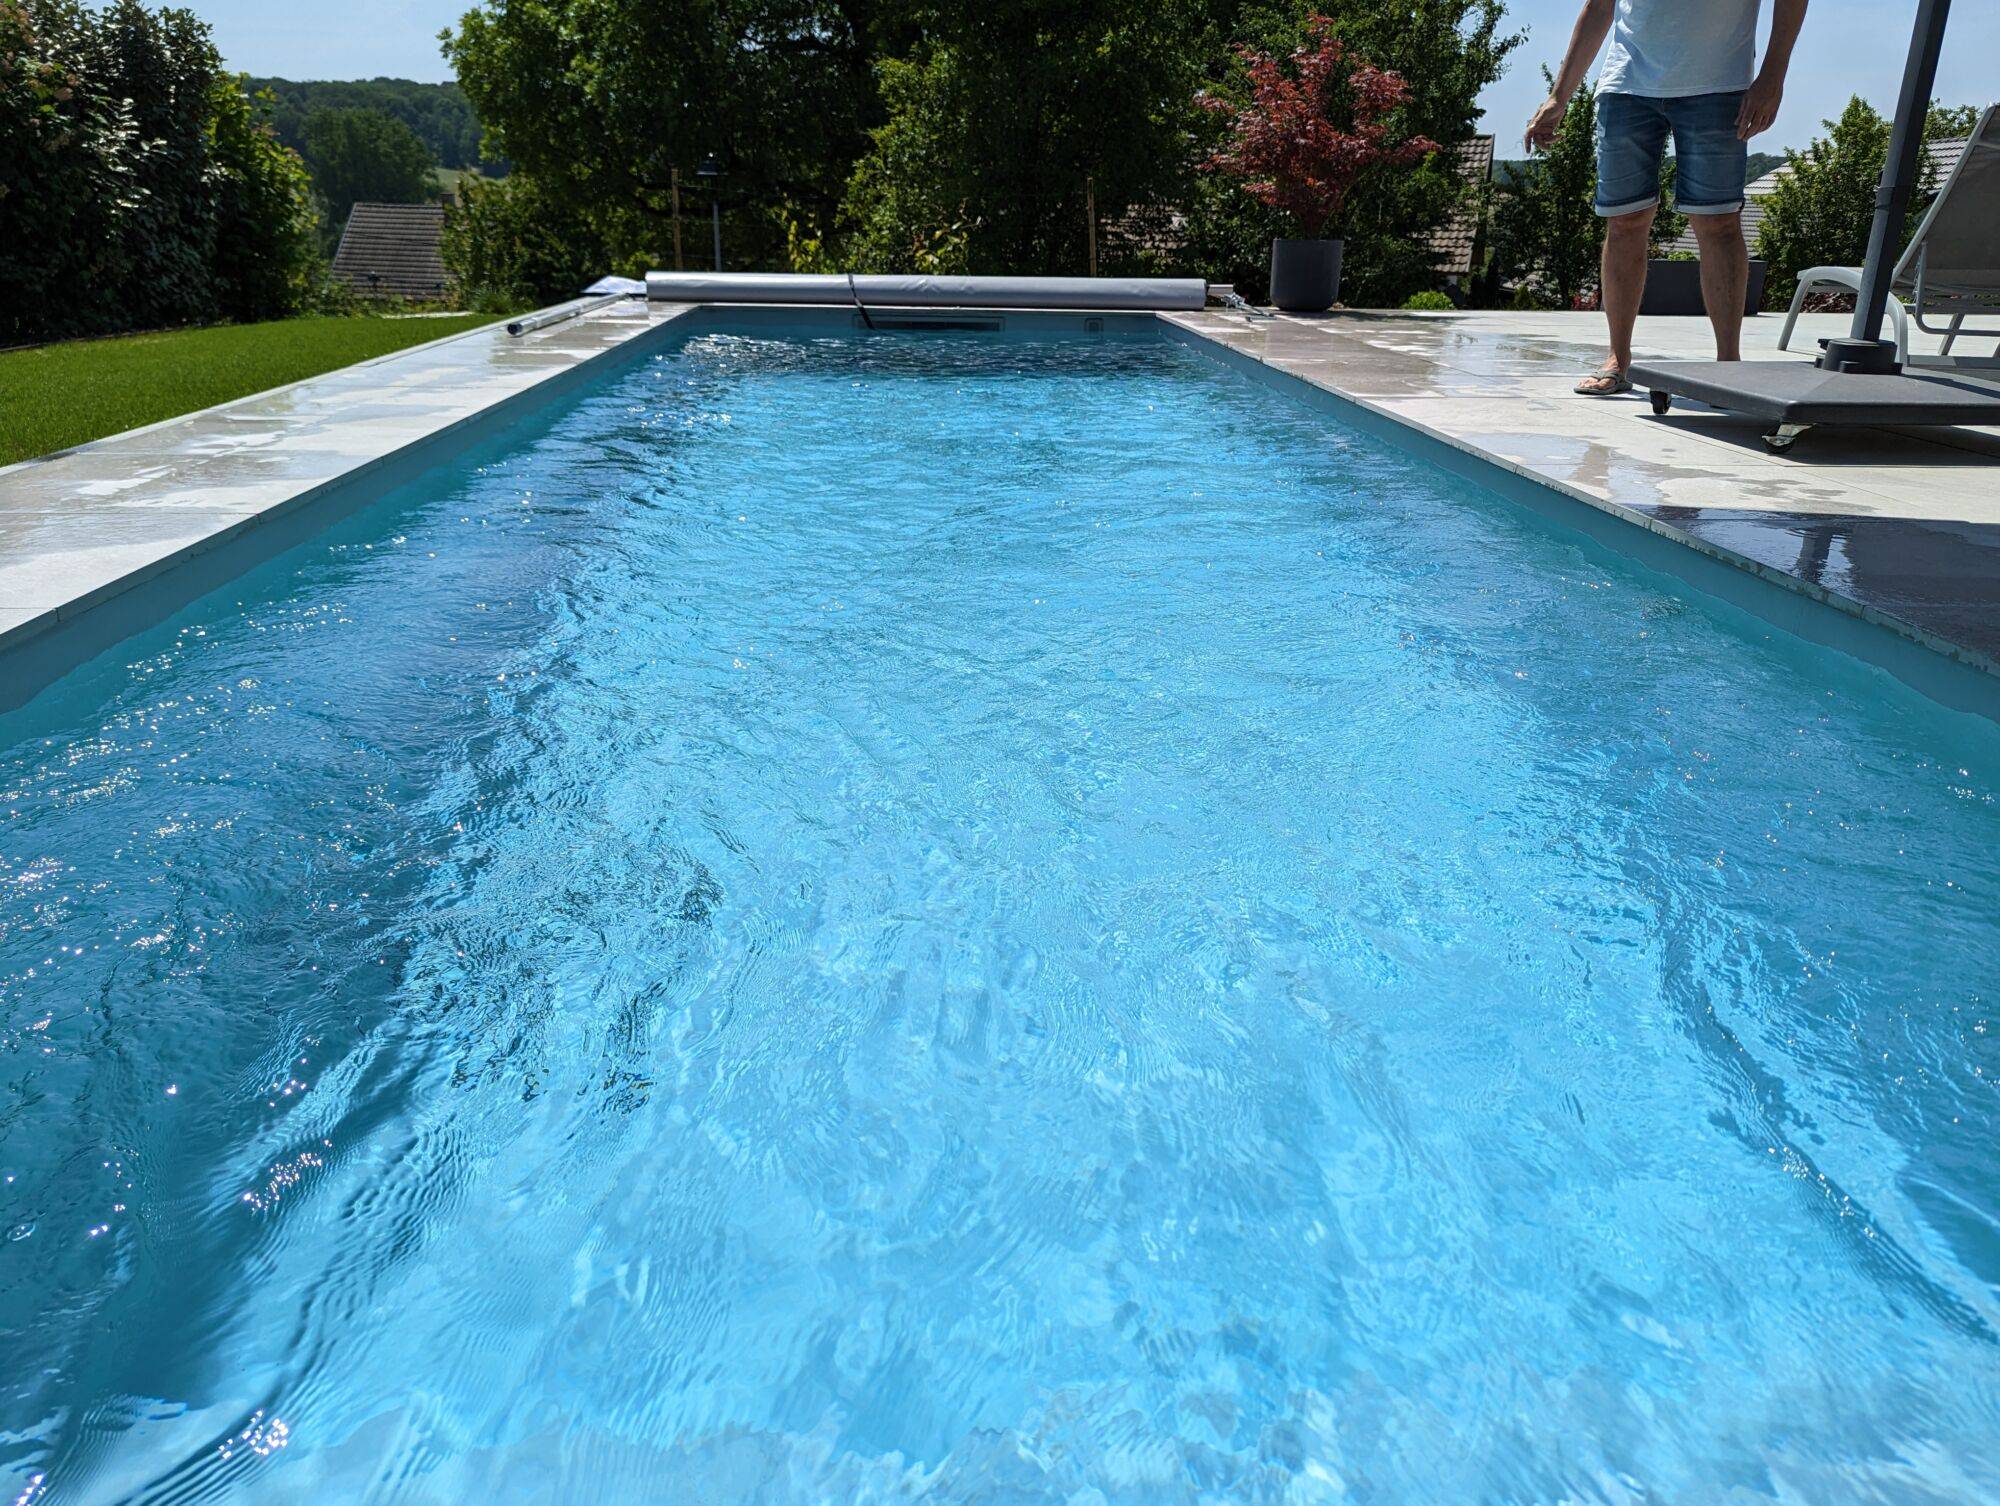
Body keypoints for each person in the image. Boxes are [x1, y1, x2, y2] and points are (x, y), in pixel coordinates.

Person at [1526, 0, 1807, 396]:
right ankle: (1617, 359)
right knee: (1624, 221)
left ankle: (1729, 365)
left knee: (1719, 224)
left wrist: (1772, 77)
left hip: (1719, 85)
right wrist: (1559, 96)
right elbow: (1599, 6)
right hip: (1626, 84)